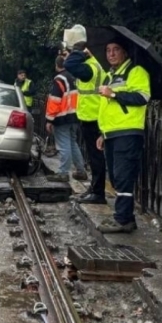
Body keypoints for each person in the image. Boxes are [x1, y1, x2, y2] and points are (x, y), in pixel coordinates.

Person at [96, 39, 150, 234]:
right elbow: (107, 110)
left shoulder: (135, 72)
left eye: (116, 49)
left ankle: (123, 219)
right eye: (108, 50)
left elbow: (142, 97)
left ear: (125, 52)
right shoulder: (110, 76)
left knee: (123, 175)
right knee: (116, 178)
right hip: (112, 133)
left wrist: (113, 95)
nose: (111, 54)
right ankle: (125, 217)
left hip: (128, 131)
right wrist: (103, 133)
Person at [64, 40, 107, 203]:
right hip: (89, 116)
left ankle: (98, 193)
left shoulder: (89, 67)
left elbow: (69, 64)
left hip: (93, 117)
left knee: (96, 157)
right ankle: (95, 188)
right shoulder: (94, 65)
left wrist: (82, 53)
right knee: (93, 157)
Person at [45, 56, 85, 183]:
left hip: (62, 116)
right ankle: (81, 171)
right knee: (73, 143)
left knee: (64, 145)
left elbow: (55, 100)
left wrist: (50, 119)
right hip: (75, 115)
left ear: (56, 65)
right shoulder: (74, 77)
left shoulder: (60, 79)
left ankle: (63, 173)